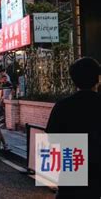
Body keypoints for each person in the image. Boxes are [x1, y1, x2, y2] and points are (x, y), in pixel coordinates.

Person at [45, 57, 101, 198]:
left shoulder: (63, 106)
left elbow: (52, 140)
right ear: (98, 79)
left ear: (73, 79)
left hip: (73, 168)